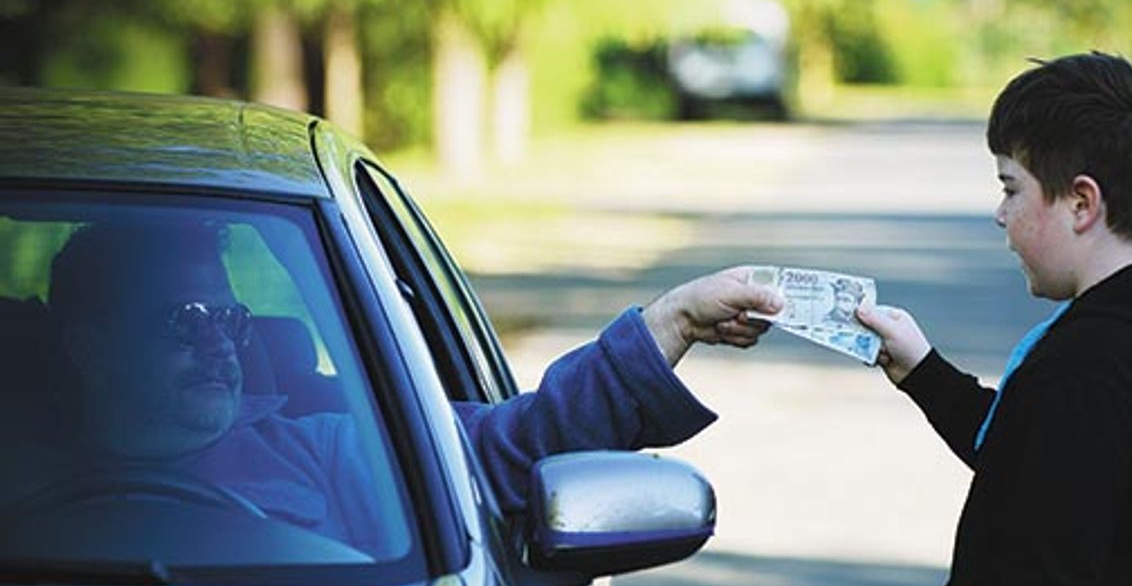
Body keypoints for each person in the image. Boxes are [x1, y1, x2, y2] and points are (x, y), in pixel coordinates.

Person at [34, 221, 781, 553]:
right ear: (89, 347)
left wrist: (670, 321)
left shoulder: (326, 450)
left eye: (228, 317)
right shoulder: (18, 465)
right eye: (185, 318)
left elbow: (519, 443)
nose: (218, 343)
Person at [856, 52, 1132, 586]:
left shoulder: (1091, 365)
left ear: (1082, 203)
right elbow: (1024, 456)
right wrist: (922, 372)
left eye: (1011, 188)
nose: (999, 212)